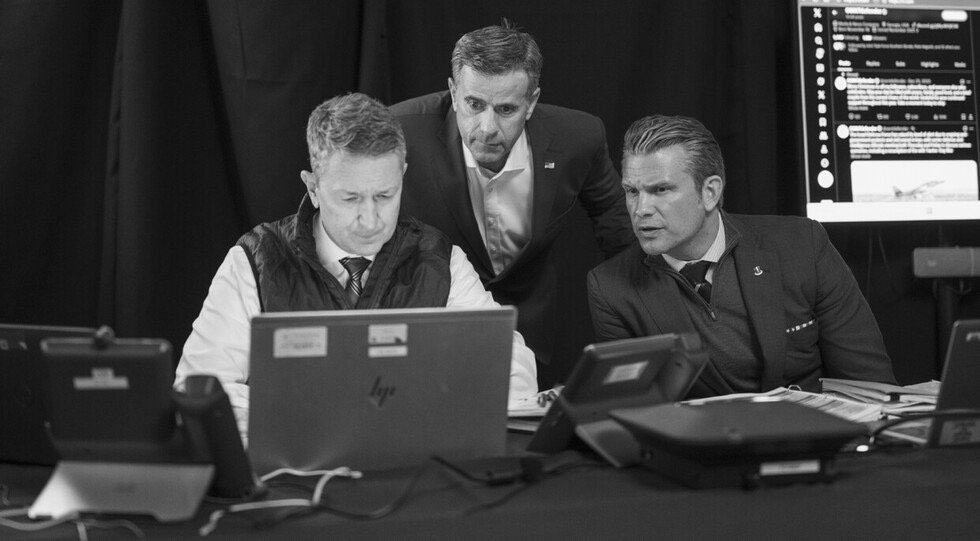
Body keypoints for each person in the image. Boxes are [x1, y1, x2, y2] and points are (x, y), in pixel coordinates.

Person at [174, 93, 537, 439]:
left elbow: (511, 368)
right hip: (296, 473)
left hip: (409, 470)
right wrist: (329, 410)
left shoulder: (440, 260)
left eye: (385, 195)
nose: (371, 219)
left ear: (402, 175)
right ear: (313, 188)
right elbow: (199, 389)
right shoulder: (256, 261)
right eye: (350, 198)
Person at [390, 23, 634, 384]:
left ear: (531, 103)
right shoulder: (399, 132)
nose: (487, 127)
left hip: (531, 332)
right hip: (431, 334)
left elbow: (621, 233)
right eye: (474, 105)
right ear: (454, 93)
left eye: (506, 109)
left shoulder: (578, 137)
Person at [587, 114, 895, 397]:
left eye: (661, 190)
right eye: (632, 191)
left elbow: (871, 386)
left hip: (816, 433)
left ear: (710, 192)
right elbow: (636, 413)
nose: (640, 209)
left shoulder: (802, 244)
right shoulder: (612, 288)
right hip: (705, 438)